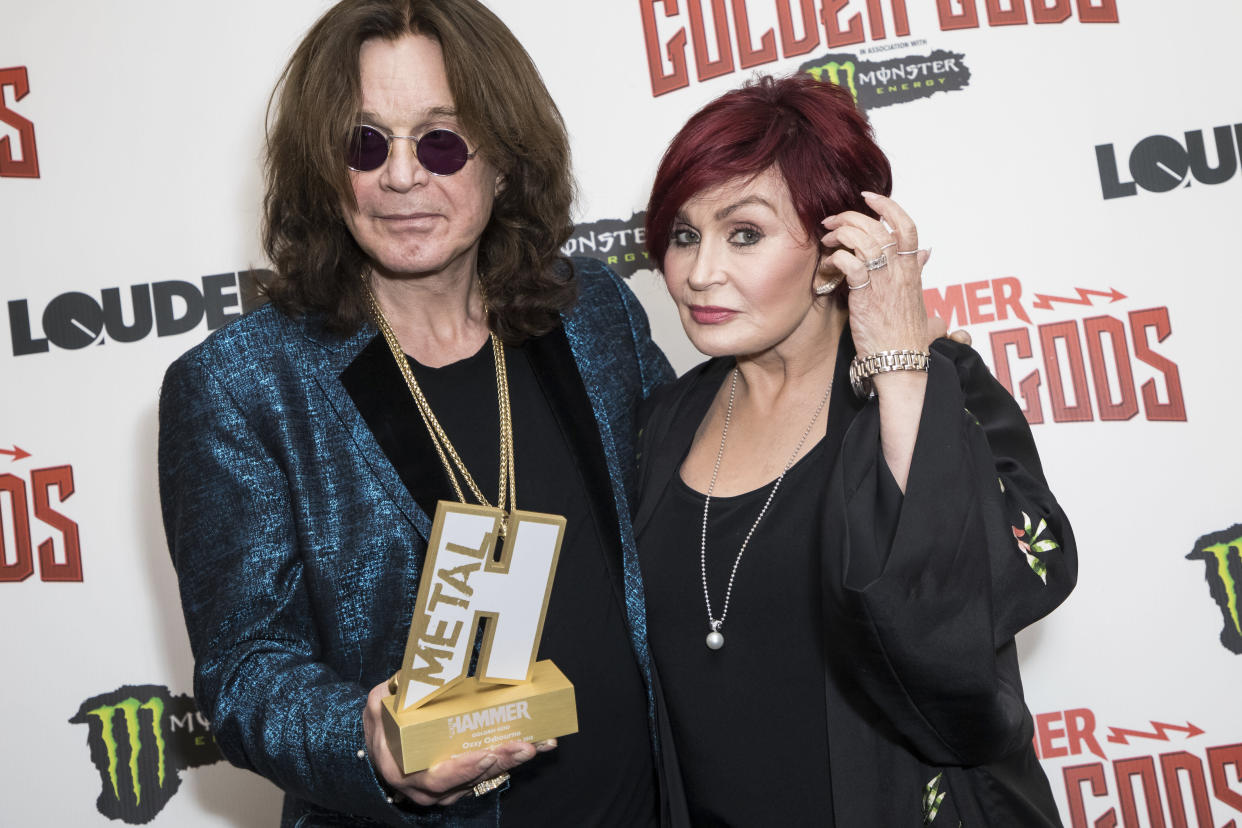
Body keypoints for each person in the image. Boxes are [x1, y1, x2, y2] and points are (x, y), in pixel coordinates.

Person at [157, 1, 673, 825]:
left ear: (503, 161)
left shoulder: (594, 313)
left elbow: (700, 499)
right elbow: (246, 672)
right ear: (327, 173)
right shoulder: (242, 387)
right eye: (365, 144)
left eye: (440, 140)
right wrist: (368, 744)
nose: (402, 176)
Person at [634, 74, 1076, 826]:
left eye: (745, 234)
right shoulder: (664, 419)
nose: (700, 272)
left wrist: (902, 367)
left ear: (835, 247)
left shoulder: (931, 386)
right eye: (684, 234)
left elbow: (1003, 587)